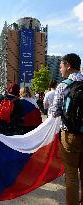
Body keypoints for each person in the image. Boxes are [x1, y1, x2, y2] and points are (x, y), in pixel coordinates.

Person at [52, 53, 83, 205]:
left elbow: (54, 111)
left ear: (68, 66)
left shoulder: (63, 86)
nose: (60, 69)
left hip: (70, 135)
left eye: (61, 66)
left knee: (71, 174)